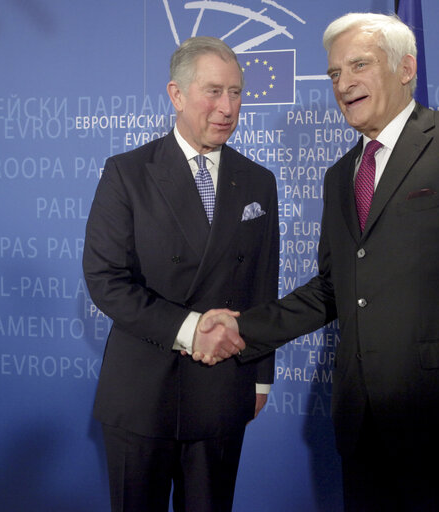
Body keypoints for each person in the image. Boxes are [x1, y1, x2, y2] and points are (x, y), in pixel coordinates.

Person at [196, 13, 439, 511]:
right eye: (335, 74)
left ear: (406, 68)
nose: (344, 84)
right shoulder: (341, 174)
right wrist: (244, 328)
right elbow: (331, 288)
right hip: (361, 426)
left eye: (359, 65)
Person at [82, 36, 278, 512]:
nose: (227, 107)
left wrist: (259, 378)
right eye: (214, 91)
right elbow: (106, 278)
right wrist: (191, 329)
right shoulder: (128, 173)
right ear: (177, 94)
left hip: (221, 392)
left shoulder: (258, 181)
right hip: (142, 395)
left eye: (235, 92)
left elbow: (262, 286)